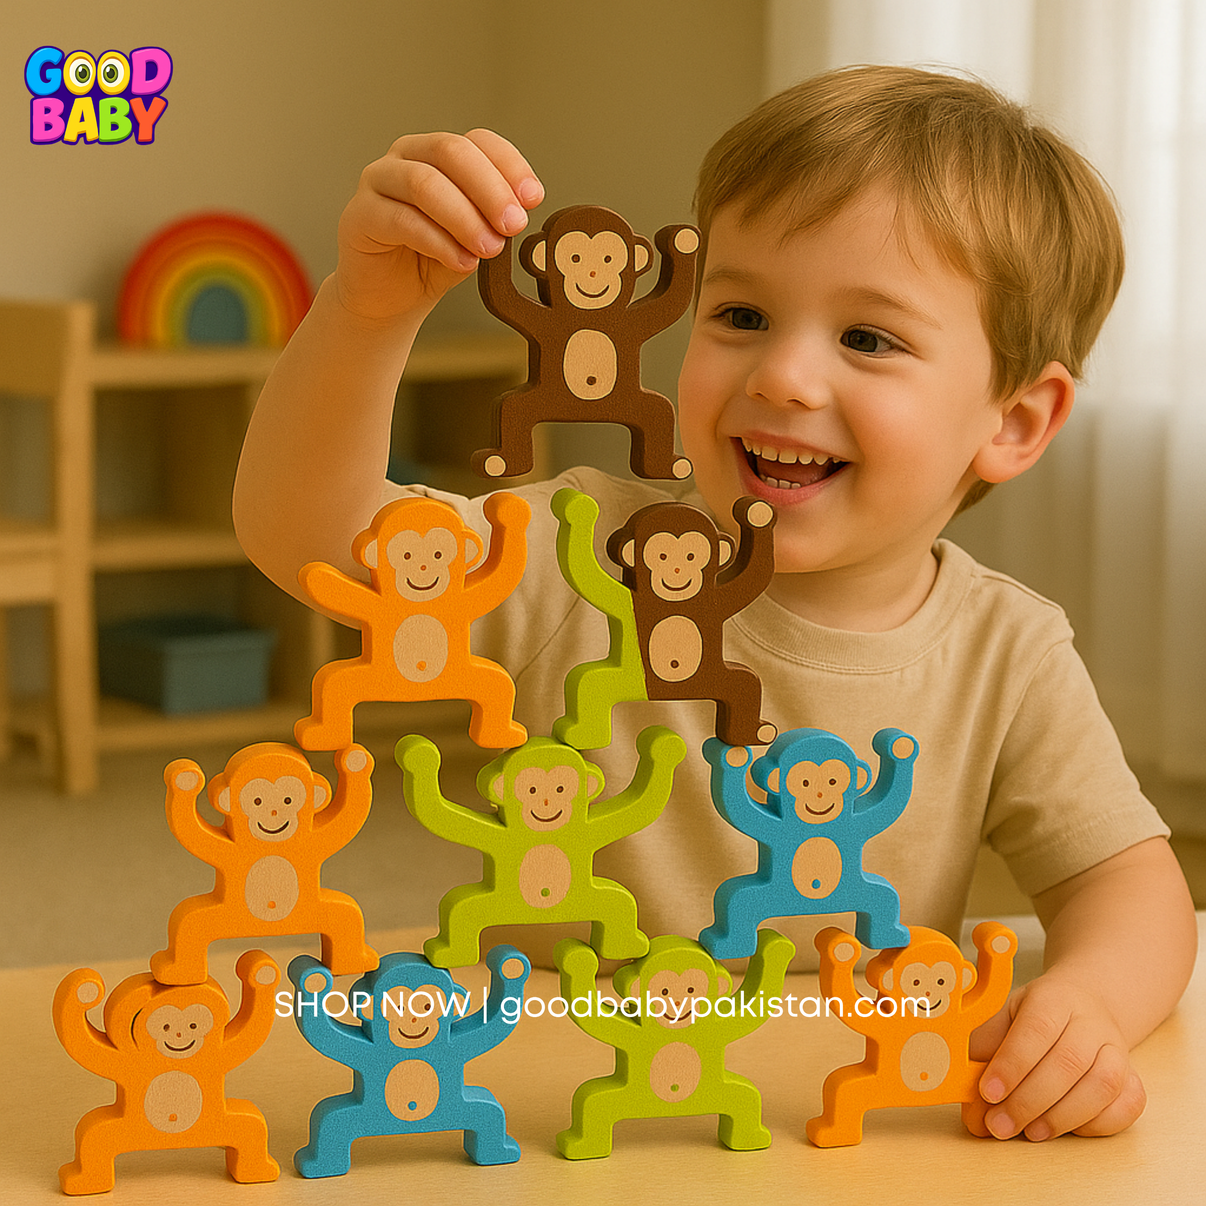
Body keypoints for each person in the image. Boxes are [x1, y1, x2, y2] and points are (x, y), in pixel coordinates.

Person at [234, 65, 1196, 1143]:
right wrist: (366, 315)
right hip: (560, 1114)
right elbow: (307, 537)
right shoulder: (579, 552)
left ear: (1015, 422)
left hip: (827, 1125)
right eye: (740, 313)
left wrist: (1090, 1004)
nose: (782, 376)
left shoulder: (1007, 651)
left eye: (868, 338)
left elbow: (1130, 884)